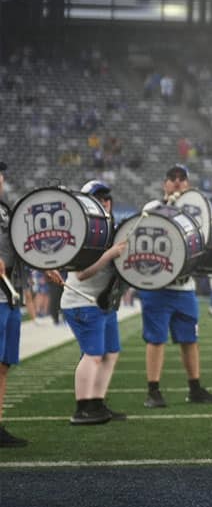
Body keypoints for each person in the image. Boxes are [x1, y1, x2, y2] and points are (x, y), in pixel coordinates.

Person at [141, 164, 212, 408]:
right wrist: (170, 206)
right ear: (165, 184)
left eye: (182, 178)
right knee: (156, 340)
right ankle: (153, 391)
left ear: (188, 184)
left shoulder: (197, 211)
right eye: (172, 178)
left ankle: (194, 387)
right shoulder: (153, 208)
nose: (177, 182)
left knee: (189, 339)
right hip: (158, 285)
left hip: (185, 286)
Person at [60, 180, 128, 424]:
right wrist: (110, 255)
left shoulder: (112, 229)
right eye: (98, 198)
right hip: (83, 301)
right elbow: (81, 273)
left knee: (110, 353)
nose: (105, 202)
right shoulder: (82, 230)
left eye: (107, 198)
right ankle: (82, 408)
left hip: (103, 303)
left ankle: (97, 403)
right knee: (92, 354)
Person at [0, 161, 28, 446]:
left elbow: (21, 246)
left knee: (3, 365)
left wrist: (46, 266)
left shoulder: (8, 210)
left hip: (9, 296)